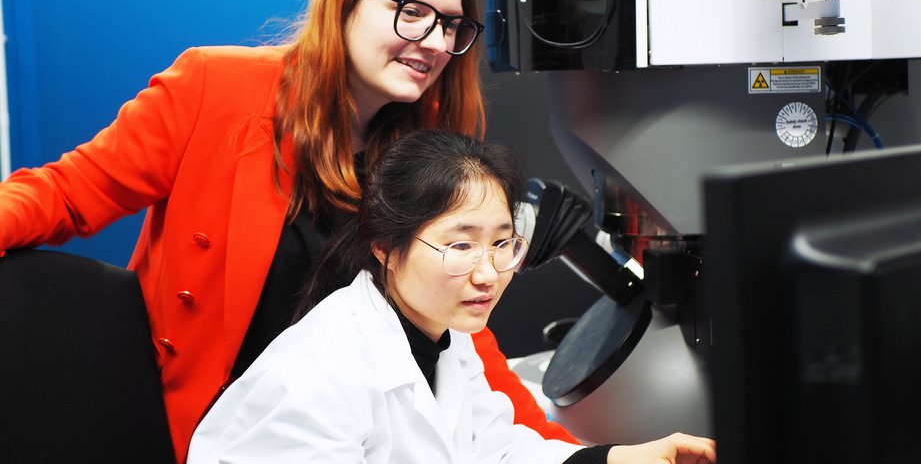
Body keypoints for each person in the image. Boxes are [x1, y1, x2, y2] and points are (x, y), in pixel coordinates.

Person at [0, 0, 575, 460]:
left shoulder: (428, 147)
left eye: (450, 25)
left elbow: (457, 335)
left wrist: (572, 454)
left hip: (355, 438)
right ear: (344, 0)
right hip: (210, 430)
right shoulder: (215, 89)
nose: (431, 40)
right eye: (410, 11)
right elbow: (64, 194)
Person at [187, 129, 716, 464]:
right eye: (460, 245)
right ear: (385, 247)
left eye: (503, 244)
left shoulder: (442, 338)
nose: (487, 273)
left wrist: (628, 460)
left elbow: (497, 451)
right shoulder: (317, 377)